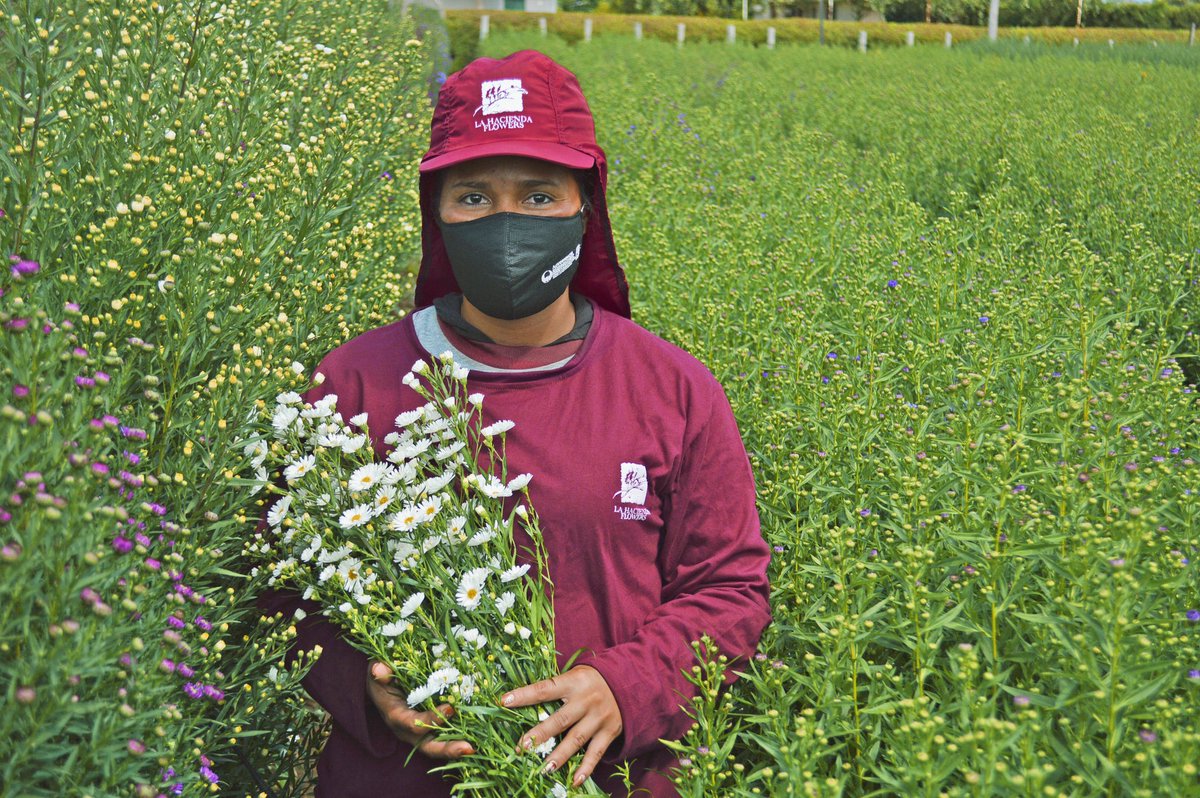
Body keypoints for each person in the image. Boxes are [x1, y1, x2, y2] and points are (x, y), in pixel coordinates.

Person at [258, 49, 771, 797]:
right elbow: (281, 592)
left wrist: (624, 687)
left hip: (614, 779)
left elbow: (730, 590)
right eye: (472, 197)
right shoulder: (349, 387)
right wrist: (363, 687)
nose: (504, 223)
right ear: (435, 212)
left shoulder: (670, 388)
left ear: (585, 206)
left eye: (538, 196)